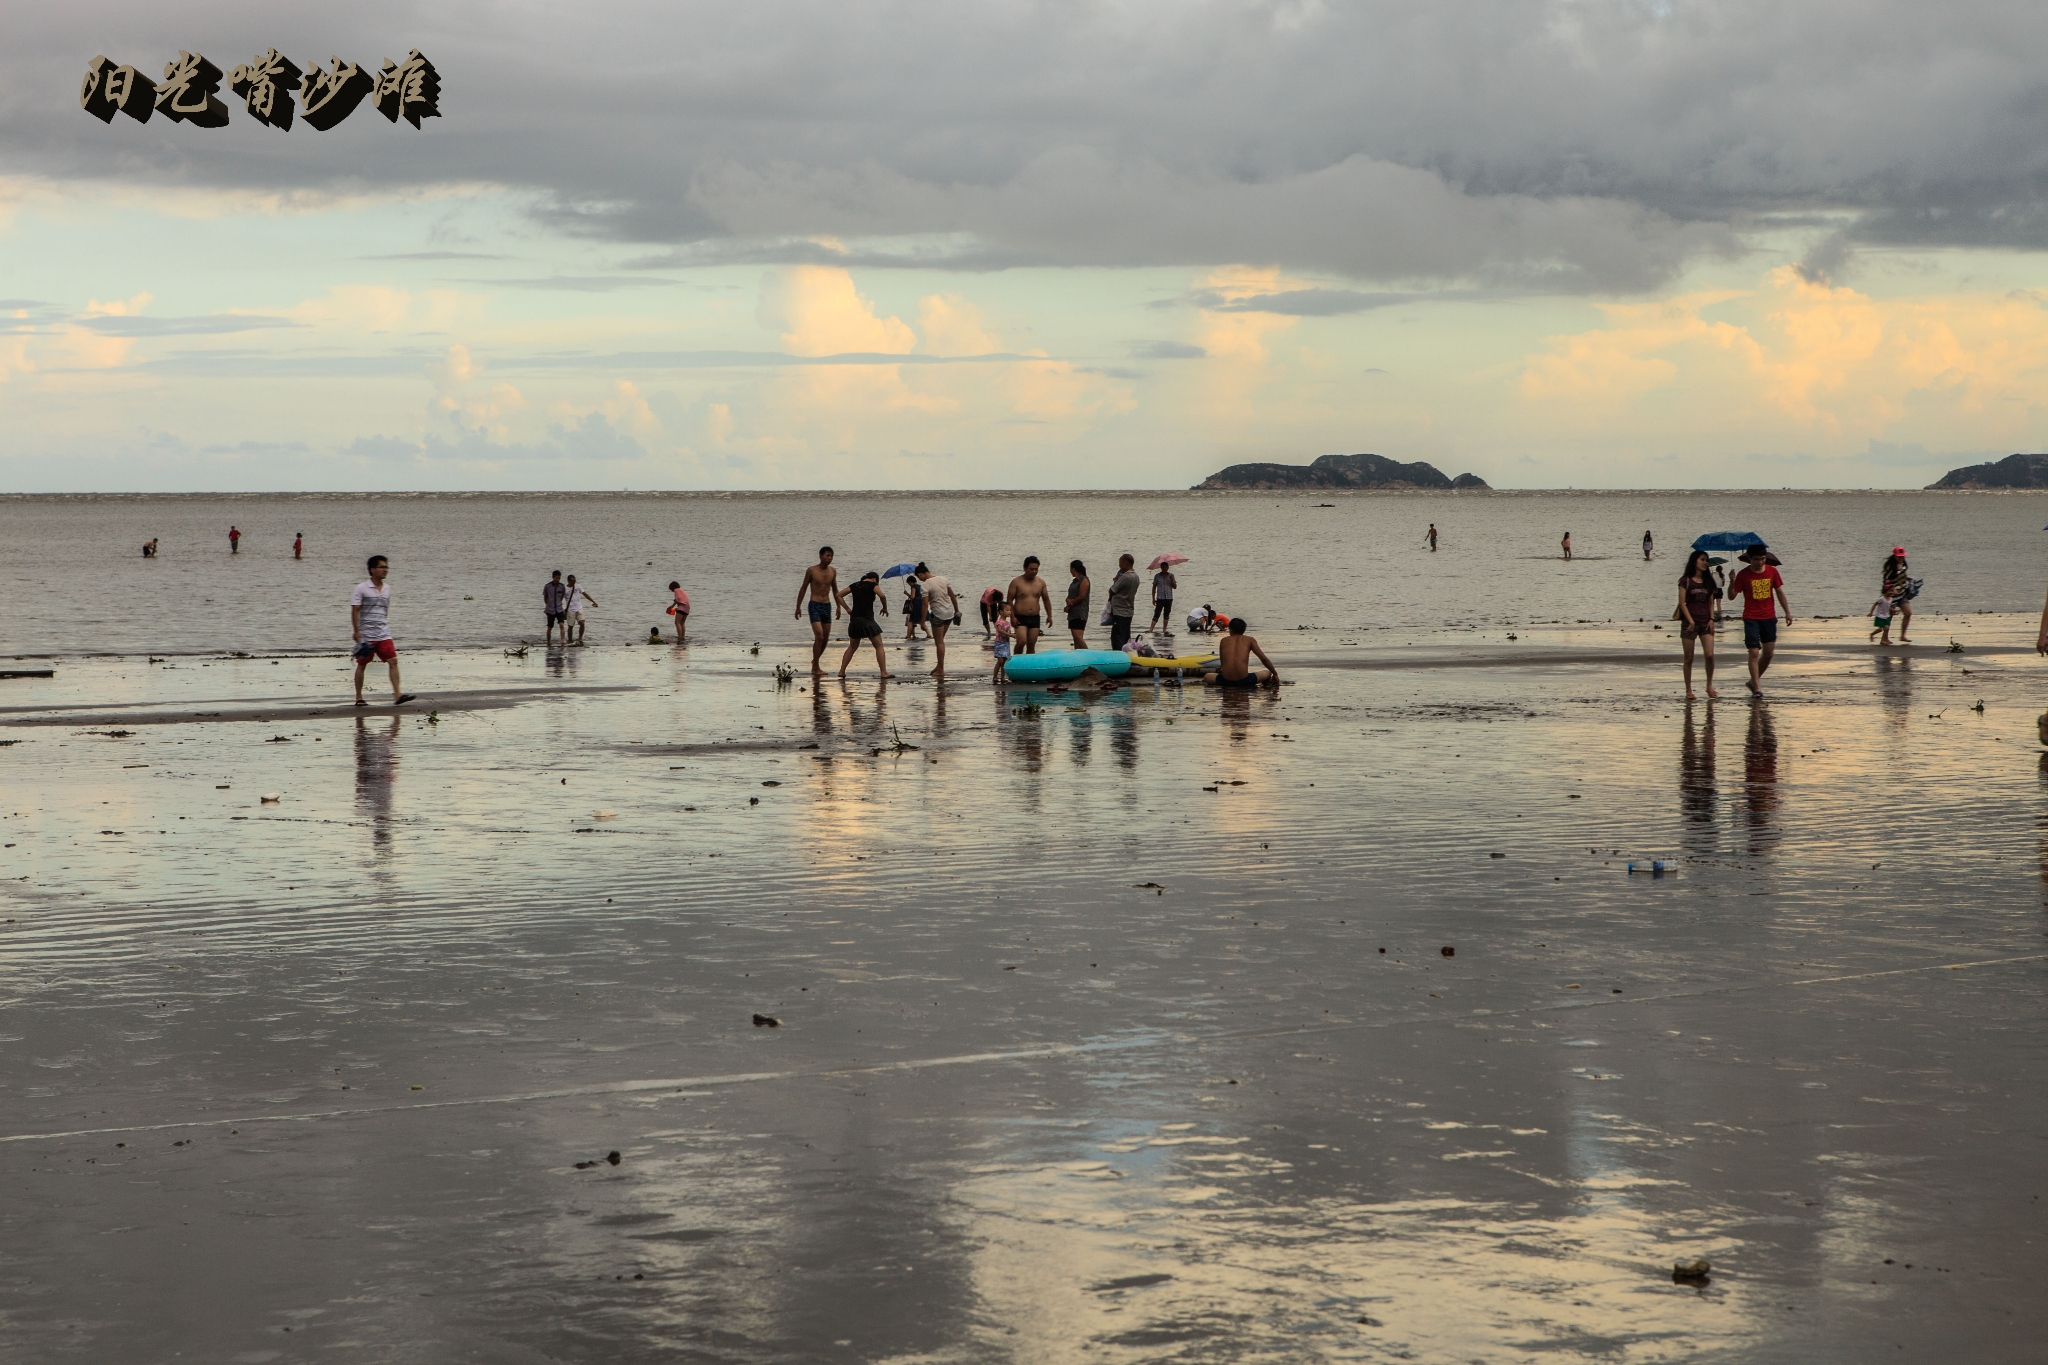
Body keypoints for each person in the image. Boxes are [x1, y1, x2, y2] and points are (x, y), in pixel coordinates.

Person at [351, 554, 415, 707]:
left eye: (386, 567)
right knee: (362, 664)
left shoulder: (387, 589)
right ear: (372, 570)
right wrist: (356, 630)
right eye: (381, 567)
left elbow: (384, 610)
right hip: (367, 634)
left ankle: (398, 694)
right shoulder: (361, 588)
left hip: (384, 632)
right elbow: (355, 610)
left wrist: (383, 623)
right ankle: (359, 697)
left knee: (393, 661)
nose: (385, 570)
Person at [1728, 544, 1791, 695]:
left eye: (1763, 559)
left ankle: (1752, 681)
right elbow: (1731, 596)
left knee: (1769, 653)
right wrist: (1731, 581)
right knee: (1754, 652)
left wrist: (1787, 612)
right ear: (1749, 559)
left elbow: (1779, 592)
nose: (1760, 562)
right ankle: (1757, 687)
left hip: (1768, 617)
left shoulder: (1772, 571)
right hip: (1751, 617)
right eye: (1756, 559)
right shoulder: (1743, 575)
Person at [1677, 549, 1719, 701]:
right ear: (1695, 561)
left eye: (1706, 561)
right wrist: (1691, 621)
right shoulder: (1685, 581)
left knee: (1709, 655)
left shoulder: (1709, 581)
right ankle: (1688, 689)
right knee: (1689, 658)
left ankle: (1709, 685)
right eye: (1702, 560)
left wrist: (1712, 619)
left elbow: (1710, 602)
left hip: (1705, 622)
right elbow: (1682, 603)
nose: (1705, 563)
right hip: (1689, 624)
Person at [835, 569, 891, 678]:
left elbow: (839, 595)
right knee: (879, 645)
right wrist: (884, 607)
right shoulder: (873, 585)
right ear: (874, 579)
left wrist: (847, 608)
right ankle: (883, 672)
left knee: (852, 647)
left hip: (854, 619)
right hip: (867, 620)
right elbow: (882, 596)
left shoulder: (855, 585)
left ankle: (841, 671)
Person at [795, 547, 839, 673]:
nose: (829, 558)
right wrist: (798, 606)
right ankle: (815, 667)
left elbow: (835, 590)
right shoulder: (811, 570)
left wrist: (839, 606)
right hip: (814, 605)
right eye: (827, 555)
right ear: (820, 556)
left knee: (825, 638)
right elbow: (803, 588)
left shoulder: (833, 571)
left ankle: (815, 660)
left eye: (831, 556)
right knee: (819, 636)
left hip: (827, 605)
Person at [1205, 616, 1278, 688]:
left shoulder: (1223, 640)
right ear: (1244, 630)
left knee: (1207, 676)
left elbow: (1223, 663)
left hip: (1226, 681)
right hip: (1245, 680)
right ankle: (1267, 687)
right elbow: (1264, 659)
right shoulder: (1250, 640)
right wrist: (1275, 674)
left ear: (1230, 629)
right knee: (1267, 673)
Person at [914, 563, 959, 676]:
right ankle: (939, 666)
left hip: (938, 614)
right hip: (949, 613)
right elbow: (953, 596)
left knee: (939, 643)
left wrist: (922, 621)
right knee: (940, 642)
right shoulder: (943, 579)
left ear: (921, 574)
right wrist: (957, 610)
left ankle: (941, 669)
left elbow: (925, 605)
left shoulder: (925, 585)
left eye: (918, 577)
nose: (919, 579)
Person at [1007, 556, 1054, 655]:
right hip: (1020, 617)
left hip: (1034, 617)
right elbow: (1009, 600)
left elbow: (1046, 599)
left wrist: (1049, 616)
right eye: (1031, 569)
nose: (1034, 571)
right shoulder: (1016, 582)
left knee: (1031, 644)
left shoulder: (1041, 583)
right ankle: (1017, 661)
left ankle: (1029, 666)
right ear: (1025, 568)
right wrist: (1012, 617)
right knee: (1021, 641)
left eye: (1036, 569)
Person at [1106, 553, 1140, 651]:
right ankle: (1127, 655)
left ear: (1126, 564)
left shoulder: (1125, 577)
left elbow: (1112, 590)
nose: (1119, 565)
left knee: (1117, 637)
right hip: (1128, 610)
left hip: (1120, 611)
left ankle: (1119, 658)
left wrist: (1116, 581)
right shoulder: (1136, 576)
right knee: (1126, 636)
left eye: (1121, 563)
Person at [1881, 547, 1913, 643]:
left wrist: (1908, 579)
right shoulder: (1890, 568)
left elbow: (1902, 575)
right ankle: (1884, 638)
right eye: (1899, 557)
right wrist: (1892, 590)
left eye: (1902, 556)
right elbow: (1886, 582)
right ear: (1894, 556)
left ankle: (1902, 636)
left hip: (1902, 594)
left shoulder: (1903, 564)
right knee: (1889, 617)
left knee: (1908, 613)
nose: (1901, 558)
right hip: (1891, 596)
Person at [1062, 560, 1092, 647]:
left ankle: (1087, 655)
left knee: (1078, 637)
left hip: (1080, 612)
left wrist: (1071, 602)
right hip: (1072, 613)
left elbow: (1082, 596)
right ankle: (1078, 655)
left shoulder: (1084, 580)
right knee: (1075, 638)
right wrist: (1067, 602)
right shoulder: (1074, 581)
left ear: (1074, 569)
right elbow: (1070, 595)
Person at [564, 574, 596, 645]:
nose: (574, 583)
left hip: (579, 607)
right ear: (568, 581)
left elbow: (585, 594)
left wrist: (593, 601)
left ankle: (580, 638)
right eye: (572, 581)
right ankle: (570, 640)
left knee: (582, 623)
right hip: (570, 609)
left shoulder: (578, 586)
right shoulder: (565, 589)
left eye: (575, 581)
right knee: (570, 626)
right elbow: (560, 599)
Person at [543, 570, 569, 647]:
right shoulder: (547, 586)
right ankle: (548, 641)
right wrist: (548, 605)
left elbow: (561, 597)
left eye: (559, 578)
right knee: (549, 627)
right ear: (553, 577)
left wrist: (559, 604)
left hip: (559, 608)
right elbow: (545, 597)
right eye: (556, 578)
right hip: (550, 609)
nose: (558, 580)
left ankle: (563, 640)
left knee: (561, 624)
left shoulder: (562, 586)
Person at [991, 603, 1015, 683]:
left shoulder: (1008, 623)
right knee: (1000, 661)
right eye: (1007, 610)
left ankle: (1002, 677)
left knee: (1005, 661)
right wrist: (1009, 634)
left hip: (1006, 643)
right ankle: (995, 676)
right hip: (999, 643)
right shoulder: (999, 622)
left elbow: (1009, 631)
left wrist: (1011, 635)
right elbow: (1000, 630)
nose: (1009, 612)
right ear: (1001, 611)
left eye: (1010, 610)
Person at [901, 572, 927, 641]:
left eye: (908, 583)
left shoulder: (913, 587)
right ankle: (928, 634)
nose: (909, 585)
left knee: (911, 620)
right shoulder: (920, 586)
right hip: (921, 603)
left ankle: (908, 635)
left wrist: (906, 594)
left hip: (915, 604)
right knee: (920, 620)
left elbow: (912, 597)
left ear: (910, 582)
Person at [1150, 563, 1177, 629]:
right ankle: (1151, 629)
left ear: (1168, 567)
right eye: (1163, 567)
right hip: (1160, 598)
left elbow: (1175, 587)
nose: (1164, 569)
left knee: (1166, 614)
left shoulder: (1171, 575)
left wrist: (1172, 580)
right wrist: (1153, 598)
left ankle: (1164, 630)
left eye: (1165, 567)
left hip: (1169, 598)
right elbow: (1154, 587)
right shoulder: (1157, 576)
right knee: (1156, 614)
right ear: (1161, 568)